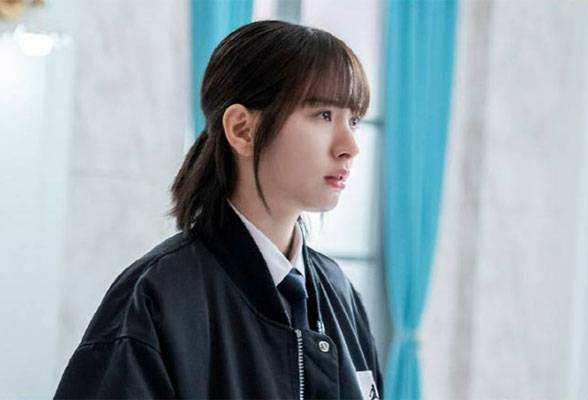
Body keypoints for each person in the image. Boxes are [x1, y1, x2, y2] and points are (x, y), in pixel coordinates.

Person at [54, 19, 383, 400]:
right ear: (242, 129)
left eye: (353, 120)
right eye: (323, 115)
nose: (350, 146)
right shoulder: (157, 298)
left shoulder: (338, 291)